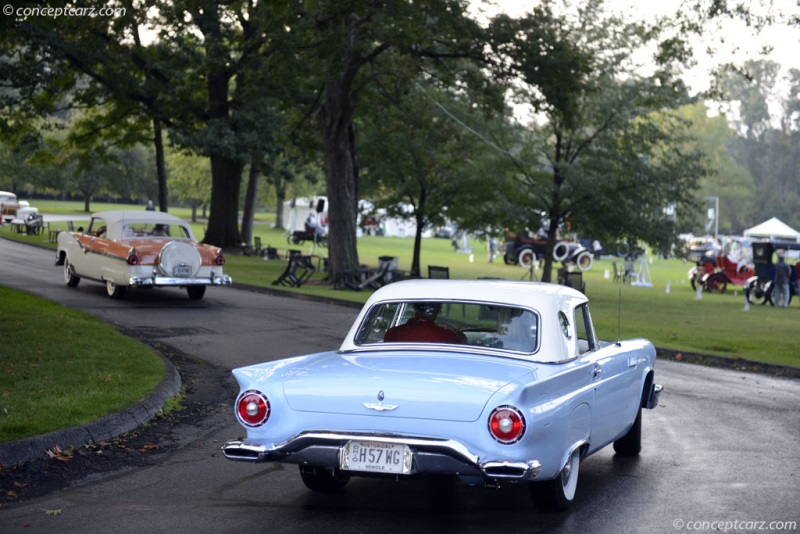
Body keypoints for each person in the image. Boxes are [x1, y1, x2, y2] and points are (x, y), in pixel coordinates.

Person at [383, 303, 462, 344]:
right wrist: (461, 338)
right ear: (436, 311)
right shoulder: (449, 337)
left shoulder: (392, 333)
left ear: (415, 309)